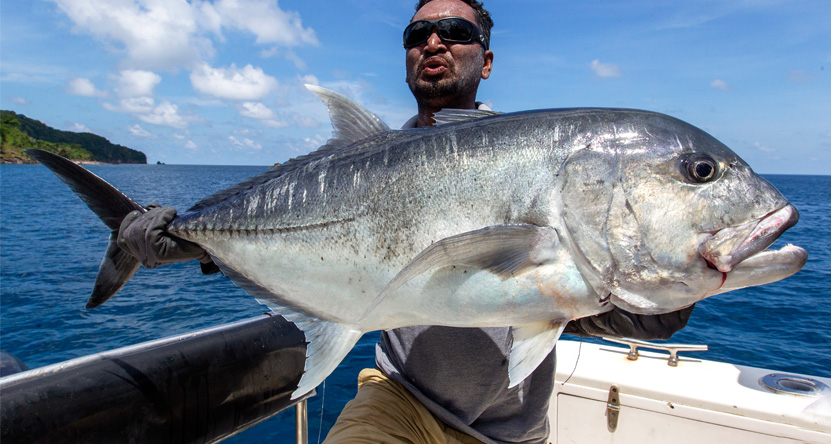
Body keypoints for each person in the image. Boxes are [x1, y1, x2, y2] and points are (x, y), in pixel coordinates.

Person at [117, 1, 694, 443]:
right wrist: (196, 242)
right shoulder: (357, 164)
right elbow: (304, 246)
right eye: (418, 35)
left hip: (509, 429)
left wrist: (658, 290)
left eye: (457, 32)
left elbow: (578, 293)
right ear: (408, 55)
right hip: (397, 400)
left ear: (486, 60)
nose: (435, 42)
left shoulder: (534, 158)